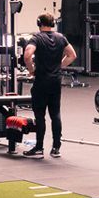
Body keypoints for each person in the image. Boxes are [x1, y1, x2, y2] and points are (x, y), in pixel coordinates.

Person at [22, 13, 76, 157]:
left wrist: (31, 70)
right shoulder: (60, 37)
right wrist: (59, 66)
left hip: (41, 82)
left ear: (39, 23)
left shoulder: (37, 38)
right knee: (55, 115)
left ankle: (39, 147)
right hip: (55, 82)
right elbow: (72, 55)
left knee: (40, 116)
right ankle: (56, 148)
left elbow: (27, 55)